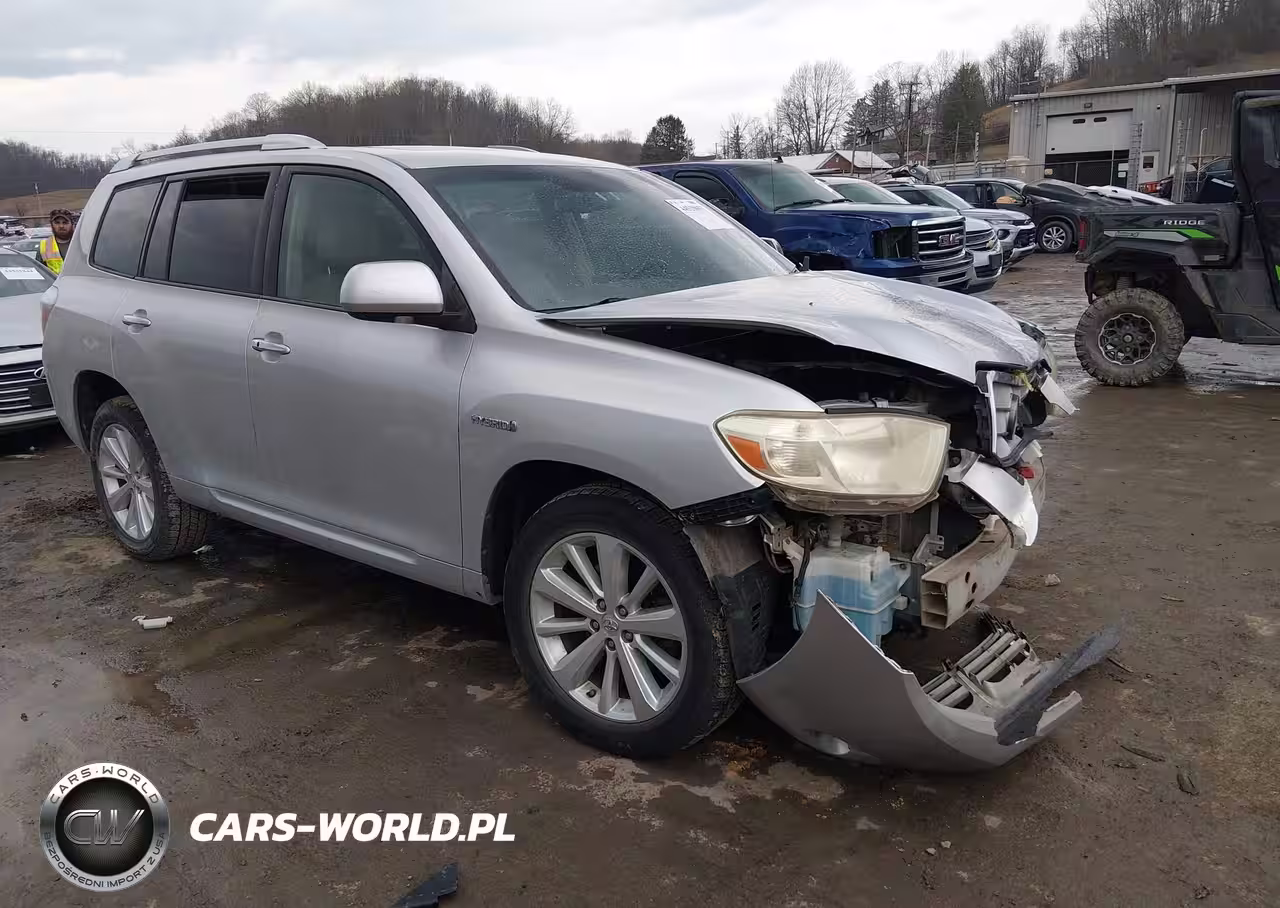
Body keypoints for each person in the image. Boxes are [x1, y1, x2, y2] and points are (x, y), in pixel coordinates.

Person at [37, 209, 75, 275]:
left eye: (65, 222)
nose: (61, 226)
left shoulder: (82, 243)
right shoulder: (45, 246)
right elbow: (40, 271)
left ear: (72, 224)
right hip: (55, 284)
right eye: (57, 223)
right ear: (52, 225)